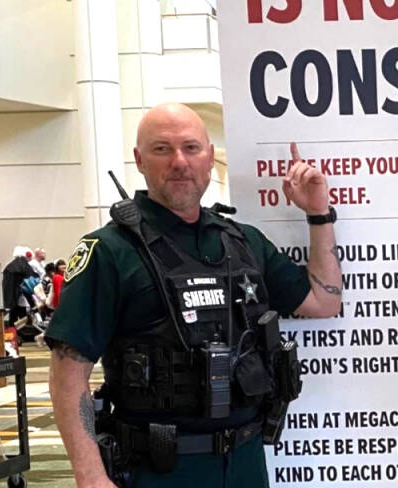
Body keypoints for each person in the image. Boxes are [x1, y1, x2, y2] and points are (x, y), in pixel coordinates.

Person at [45, 102, 343, 488]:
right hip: (158, 471)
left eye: (191, 148)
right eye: (161, 149)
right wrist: (90, 475)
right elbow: (68, 371)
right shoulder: (110, 251)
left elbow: (324, 300)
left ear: (209, 157)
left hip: (246, 464)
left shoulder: (244, 242)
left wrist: (319, 214)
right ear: (139, 160)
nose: (179, 162)